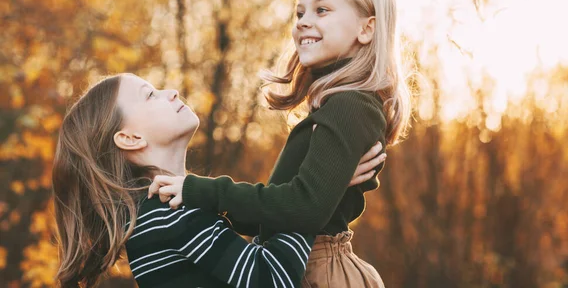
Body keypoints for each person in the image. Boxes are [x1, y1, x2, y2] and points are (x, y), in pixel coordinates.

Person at [149, 0, 412, 287]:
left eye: (322, 10)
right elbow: (270, 217)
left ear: (367, 29)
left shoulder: (350, 104)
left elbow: (304, 209)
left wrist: (200, 189)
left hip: (321, 273)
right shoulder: (337, 106)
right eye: (299, 12)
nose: (303, 21)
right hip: (300, 265)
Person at [52, 73, 383, 288]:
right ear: (130, 138)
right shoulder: (168, 215)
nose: (172, 91)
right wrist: (316, 190)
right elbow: (273, 278)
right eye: (150, 95)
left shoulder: (161, 212)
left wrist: (318, 183)